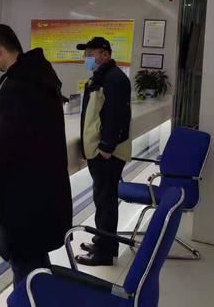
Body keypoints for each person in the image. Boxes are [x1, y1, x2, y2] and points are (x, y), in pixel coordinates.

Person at [0, 24, 72, 287]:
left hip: (24, 201)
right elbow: (32, 130)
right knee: (37, 265)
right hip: (46, 192)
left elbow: (9, 151)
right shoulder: (42, 76)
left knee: (25, 271)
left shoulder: (14, 86)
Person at [75, 37, 131, 266]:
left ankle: (104, 253)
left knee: (105, 202)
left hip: (107, 153)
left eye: (91, 54)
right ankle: (103, 242)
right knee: (102, 200)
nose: (87, 58)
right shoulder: (102, 77)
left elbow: (117, 116)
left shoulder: (114, 78)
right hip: (100, 151)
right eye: (86, 54)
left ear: (105, 54)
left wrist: (106, 147)